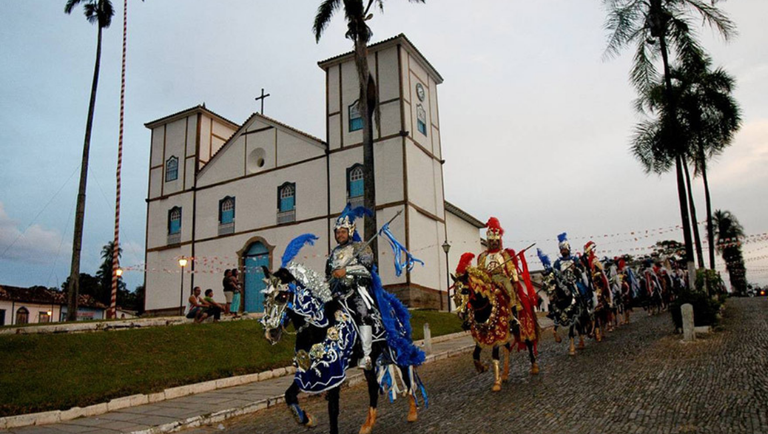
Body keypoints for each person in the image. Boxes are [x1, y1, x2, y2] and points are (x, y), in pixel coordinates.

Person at [326, 205, 377, 370]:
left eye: (343, 231)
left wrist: (346, 270)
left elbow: (367, 269)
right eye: (337, 232)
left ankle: (366, 355)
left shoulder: (361, 247)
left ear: (350, 231)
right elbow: (328, 274)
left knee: (363, 313)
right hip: (336, 294)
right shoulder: (333, 253)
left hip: (356, 291)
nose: (340, 235)